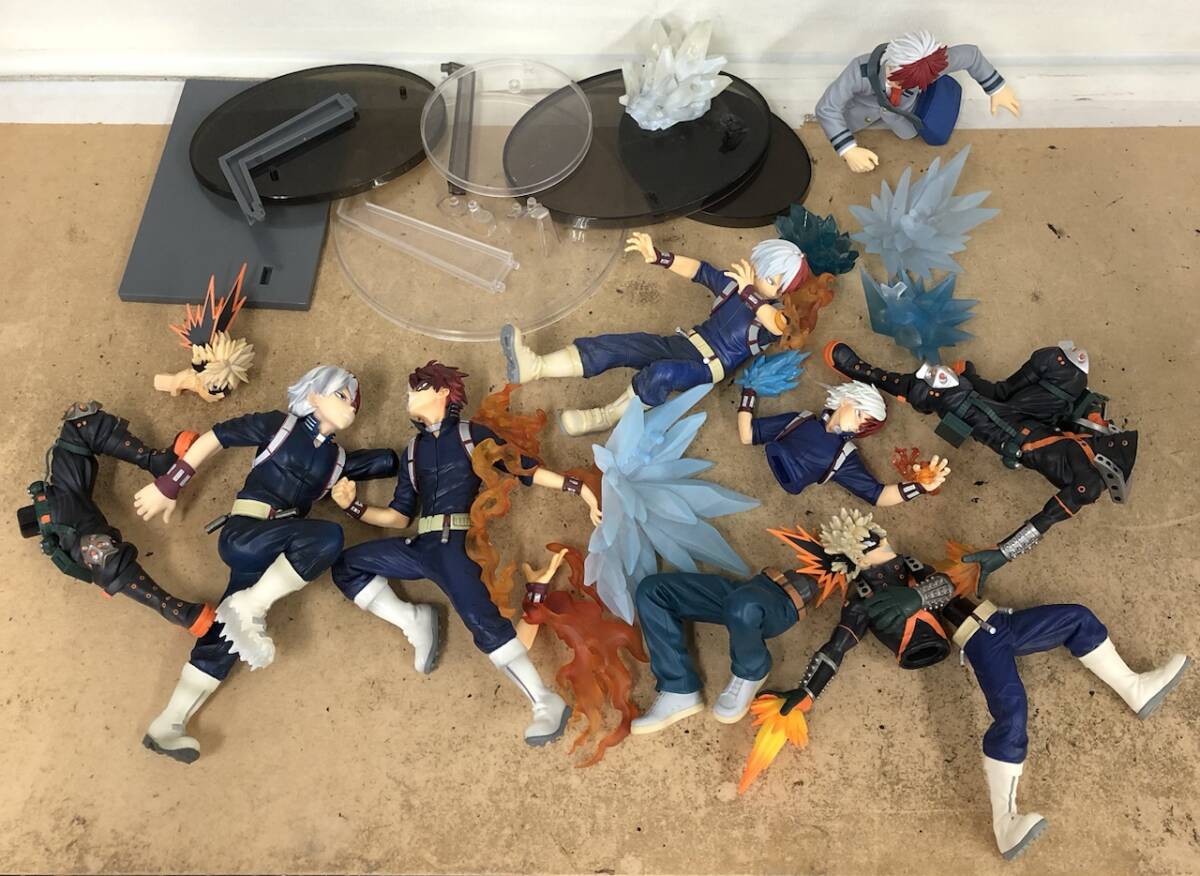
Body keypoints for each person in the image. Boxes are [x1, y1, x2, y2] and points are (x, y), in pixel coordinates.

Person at [766, 509, 1189, 860]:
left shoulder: (910, 566)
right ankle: (1005, 823)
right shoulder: (864, 599)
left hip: (1000, 623)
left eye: (877, 533)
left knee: (1077, 618)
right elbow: (836, 646)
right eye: (871, 539)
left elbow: (948, 583)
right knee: (1012, 712)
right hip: (979, 641)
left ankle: (1135, 688)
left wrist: (919, 595)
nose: (883, 538)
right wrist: (806, 692)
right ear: (855, 554)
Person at [132, 366, 400, 762]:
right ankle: (252, 606)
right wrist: (170, 484)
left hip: (278, 553)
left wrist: (416, 458)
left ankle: (169, 722)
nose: (350, 407)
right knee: (327, 537)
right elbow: (217, 437)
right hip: (247, 533)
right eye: (342, 395)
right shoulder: (280, 426)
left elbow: (386, 461)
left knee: (225, 636)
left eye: (354, 403)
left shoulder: (336, 460)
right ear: (314, 394)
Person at [329, 361, 601, 746]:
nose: (409, 395)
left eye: (418, 388)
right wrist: (353, 507)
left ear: (443, 392)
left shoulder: (471, 435)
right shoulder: (413, 451)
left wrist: (579, 489)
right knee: (347, 566)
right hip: (420, 547)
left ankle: (544, 701)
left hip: (454, 546)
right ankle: (413, 619)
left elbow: (524, 469)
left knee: (485, 625)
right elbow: (399, 516)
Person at [824, 339, 1136, 587]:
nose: (1108, 434)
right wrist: (1093, 414)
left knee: (939, 387)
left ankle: (864, 372)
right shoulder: (1098, 440)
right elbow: (1089, 406)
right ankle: (986, 388)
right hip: (1038, 417)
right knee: (1065, 363)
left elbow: (1044, 520)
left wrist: (1003, 553)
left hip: (1010, 435)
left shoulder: (1086, 485)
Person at [500, 231, 810, 435]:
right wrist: (659, 256)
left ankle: (605, 416)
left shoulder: (772, 313)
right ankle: (536, 366)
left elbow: (777, 325)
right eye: (762, 269)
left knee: (662, 373)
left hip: (708, 366)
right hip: (685, 342)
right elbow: (701, 271)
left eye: (773, 280)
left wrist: (748, 291)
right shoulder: (735, 286)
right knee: (625, 345)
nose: (762, 278)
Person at [18, 401, 214, 634]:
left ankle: (157, 461)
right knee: (98, 554)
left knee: (80, 421)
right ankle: (175, 610)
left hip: (60, 495)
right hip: (62, 524)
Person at [816, 29, 1020, 173]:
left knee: (908, 135)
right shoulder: (859, 71)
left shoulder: (931, 65)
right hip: (862, 113)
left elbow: (971, 55)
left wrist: (997, 88)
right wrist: (848, 149)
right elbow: (827, 108)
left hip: (906, 113)